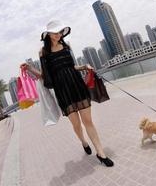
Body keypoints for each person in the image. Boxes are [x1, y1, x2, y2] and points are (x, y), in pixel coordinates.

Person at [21, 21, 113, 167]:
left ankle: (101, 153)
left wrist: (85, 66)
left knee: (88, 121)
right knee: (76, 124)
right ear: (48, 34)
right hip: (62, 91)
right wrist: (30, 68)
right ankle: (83, 141)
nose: (58, 35)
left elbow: (72, 66)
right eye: (55, 32)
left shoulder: (66, 46)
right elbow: (45, 76)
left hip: (77, 85)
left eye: (60, 32)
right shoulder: (44, 53)